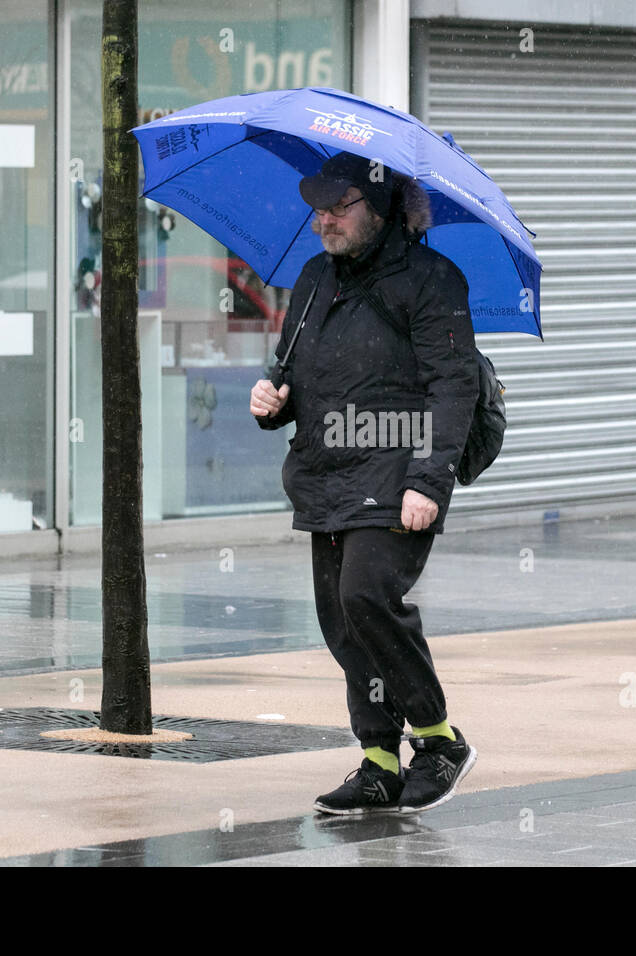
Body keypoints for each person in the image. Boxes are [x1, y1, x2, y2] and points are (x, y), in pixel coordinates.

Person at [249, 151, 479, 815]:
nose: (323, 220)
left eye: (338, 206)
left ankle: (438, 741)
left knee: (369, 595)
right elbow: (298, 373)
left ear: (377, 209)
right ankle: (379, 760)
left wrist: (428, 483)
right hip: (325, 474)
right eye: (317, 208)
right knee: (342, 620)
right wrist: (276, 401)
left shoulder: (433, 280)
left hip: (399, 470)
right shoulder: (314, 278)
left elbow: (454, 385)